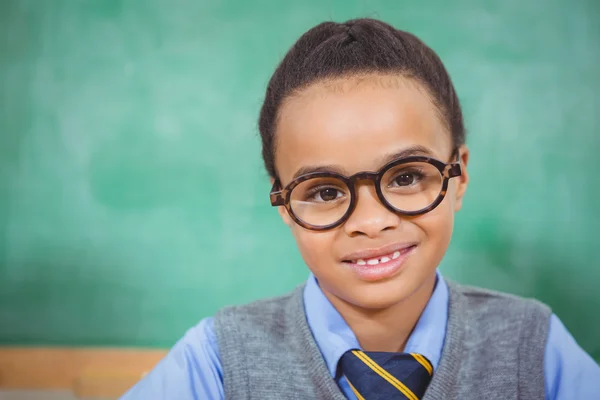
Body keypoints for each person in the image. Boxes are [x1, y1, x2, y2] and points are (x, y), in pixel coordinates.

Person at [121, 18, 600, 399]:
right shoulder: (220, 361)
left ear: (459, 175)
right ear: (284, 203)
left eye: (407, 177)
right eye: (326, 191)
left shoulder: (531, 349)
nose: (371, 223)